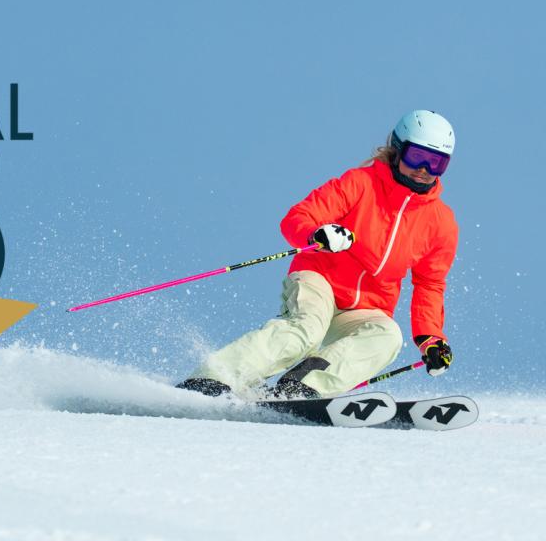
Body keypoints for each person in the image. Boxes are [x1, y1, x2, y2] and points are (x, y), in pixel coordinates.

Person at [177, 110, 459, 399]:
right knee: (306, 329)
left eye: (437, 163)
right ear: (398, 150)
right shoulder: (361, 184)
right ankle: (210, 379)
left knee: (387, 336)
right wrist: (317, 235)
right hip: (319, 280)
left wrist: (431, 339)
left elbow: (429, 284)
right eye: (417, 157)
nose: (424, 168)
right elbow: (298, 216)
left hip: (366, 307)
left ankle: (302, 388)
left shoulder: (441, 223)